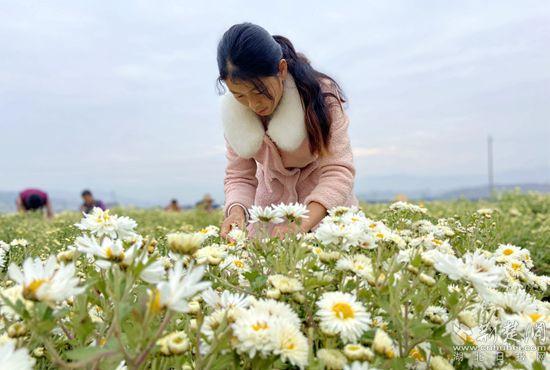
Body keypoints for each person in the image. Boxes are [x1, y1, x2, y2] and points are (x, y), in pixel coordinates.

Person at [217, 23, 358, 239]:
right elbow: (240, 176)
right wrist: (236, 211)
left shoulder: (321, 99)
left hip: (328, 221)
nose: (254, 105)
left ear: (281, 70)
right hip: (270, 222)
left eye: (259, 91)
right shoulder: (235, 116)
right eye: (240, 95)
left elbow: (338, 171)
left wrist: (302, 224)